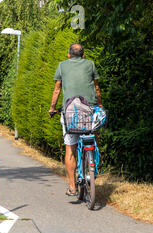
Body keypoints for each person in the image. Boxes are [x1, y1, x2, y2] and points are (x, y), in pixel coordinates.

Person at [49, 43, 103, 196]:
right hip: (90, 111)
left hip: (70, 112)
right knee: (93, 135)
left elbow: (57, 89)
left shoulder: (62, 66)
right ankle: (92, 163)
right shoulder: (90, 64)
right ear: (83, 55)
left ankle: (72, 187)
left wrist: (52, 108)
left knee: (70, 149)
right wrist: (99, 104)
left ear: (68, 55)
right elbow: (96, 88)